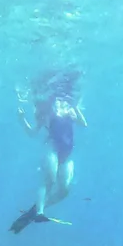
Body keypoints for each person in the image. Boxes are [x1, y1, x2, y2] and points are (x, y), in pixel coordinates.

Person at [10, 70, 87, 233]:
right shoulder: (46, 112)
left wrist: (75, 107)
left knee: (64, 189)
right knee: (49, 180)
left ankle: (37, 208)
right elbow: (32, 133)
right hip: (52, 147)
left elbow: (83, 123)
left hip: (67, 153)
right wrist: (22, 119)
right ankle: (39, 211)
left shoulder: (70, 109)